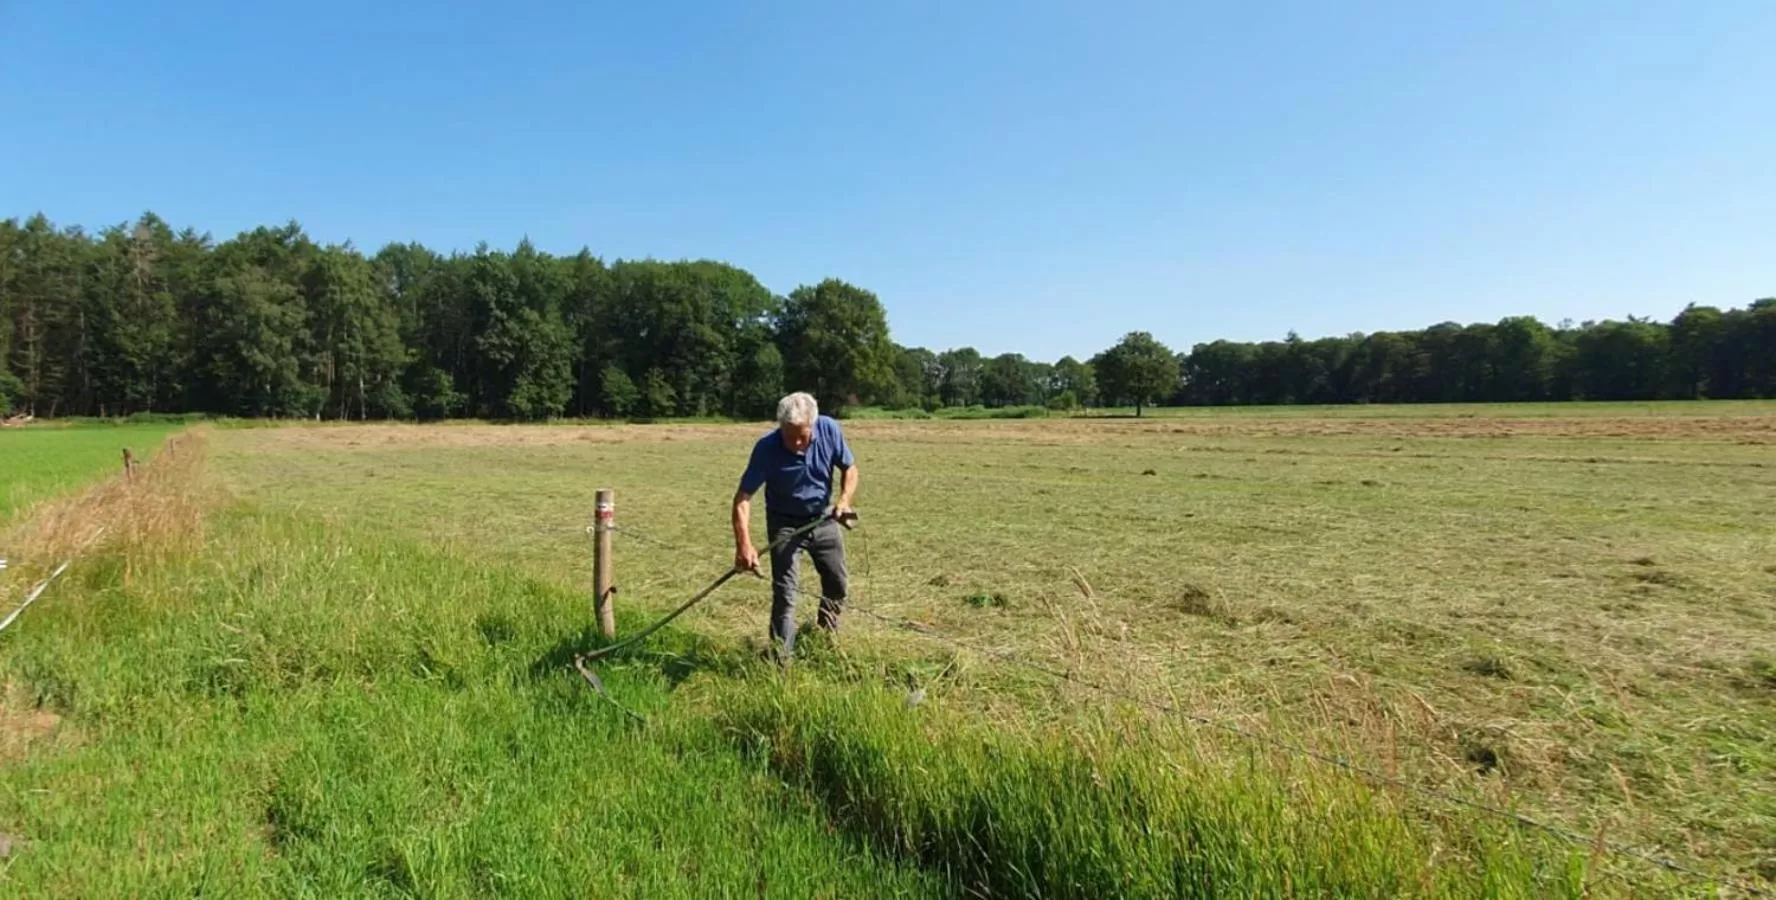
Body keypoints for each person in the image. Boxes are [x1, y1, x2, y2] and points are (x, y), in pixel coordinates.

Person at [732, 391, 858, 660]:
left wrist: (844, 500)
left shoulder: (829, 429)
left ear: (813, 423)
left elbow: (850, 468)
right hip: (785, 525)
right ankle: (781, 662)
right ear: (780, 427)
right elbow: (742, 499)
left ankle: (825, 637)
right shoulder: (766, 448)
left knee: (837, 584)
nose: (797, 443)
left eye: (803, 435)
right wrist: (744, 544)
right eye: (790, 436)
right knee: (786, 595)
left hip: (824, 518)